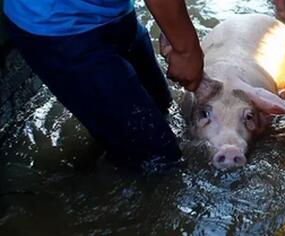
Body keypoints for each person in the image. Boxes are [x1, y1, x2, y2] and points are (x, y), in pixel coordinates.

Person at [3, 0, 204, 171]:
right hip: (59, 27)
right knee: (159, 160)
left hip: (113, 13)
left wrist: (173, 27)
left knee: (162, 109)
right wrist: (187, 50)